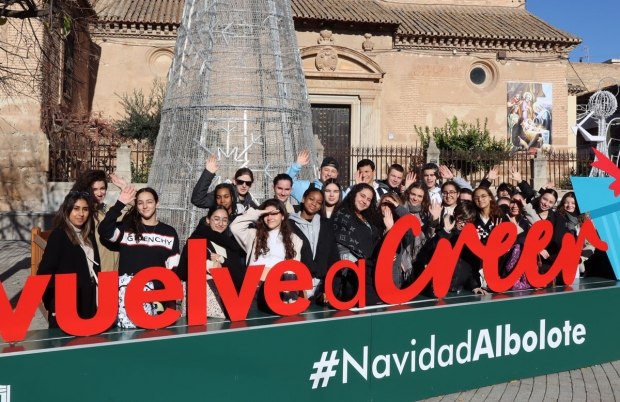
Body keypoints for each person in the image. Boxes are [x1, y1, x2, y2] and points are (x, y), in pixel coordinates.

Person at [98, 186, 181, 328]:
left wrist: (154, 289)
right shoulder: (126, 228)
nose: (145, 206)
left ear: (157, 203)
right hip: (127, 298)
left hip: (155, 299)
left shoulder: (169, 232)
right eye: (140, 203)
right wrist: (120, 203)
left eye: (149, 202)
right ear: (136, 206)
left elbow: (173, 269)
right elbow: (104, 230)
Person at [230, 199, 313, 309]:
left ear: (283, 216)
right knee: (251, 322)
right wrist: (258, 212)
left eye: (274, 213)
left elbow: (294, 268)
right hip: (253, 287)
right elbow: (235, 227)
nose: (270, 217)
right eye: (266, 214)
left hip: (279, 288)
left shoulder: (295, 240)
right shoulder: (254, 235)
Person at [38, 191, 100, 328]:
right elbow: (44, 274)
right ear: (67, 210)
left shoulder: (88, 235)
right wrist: (53, 304)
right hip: (66, 308)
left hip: (88, 303)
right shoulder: (59, 235)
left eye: (85, 209)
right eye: (76, 209)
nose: (81, 214)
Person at [177, 206, 246, 318]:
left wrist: (222, 260)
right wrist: (208, 265)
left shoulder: (231, 246)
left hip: (226, 303)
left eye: (224, 220)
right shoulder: (197, 238)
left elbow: (239, 277)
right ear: (208, 220)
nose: (221, 223)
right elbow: (182, 271)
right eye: (216, 219)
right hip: (199, 302)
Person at [416, 202, 488, 296]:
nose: (463, 225)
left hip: (458, 290)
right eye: (461, 220)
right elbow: (427, 252)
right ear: (454, 215)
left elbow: (472, 266)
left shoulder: (470, 240)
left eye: (467, 222)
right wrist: (445, 232)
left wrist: (474, 285)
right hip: (436, 289)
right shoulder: (443, 232)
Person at [332, 183, 384, 303]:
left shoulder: (370, 218)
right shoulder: (341, 215)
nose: (364, 201)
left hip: (370, 270)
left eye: (369, 199)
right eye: (362, 196)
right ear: (354, 195)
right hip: (351, 274)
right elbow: (341, 247)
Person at [288, 187, 340, 303]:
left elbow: (333, 258)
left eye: (319, 202)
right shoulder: (288, 224)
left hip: (321, 288)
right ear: (303, 199)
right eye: (311, 199)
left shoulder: (326, 224)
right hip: (297, 286)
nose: (314, 204)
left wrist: (328, 289)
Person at [72, 169, 128, 272]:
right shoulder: (84, 214)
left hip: (115, 272)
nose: (99, 193)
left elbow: (140, 209)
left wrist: (125, 188)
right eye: (94, 189)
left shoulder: (110, 210)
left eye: (102, 188)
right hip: (96, 274)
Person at [522, 188, 568, 276]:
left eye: (551, 202)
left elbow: (557, 241)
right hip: (527, 257)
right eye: (545, 199)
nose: (546, 204)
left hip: (547, 260)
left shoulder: (558, 220)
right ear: (540, 197)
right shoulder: (527, 212)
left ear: (554, 204)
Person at [401, 182, 442, 280]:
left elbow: (428, 237)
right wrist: (399, 261)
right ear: (408, 194)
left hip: (418, 258)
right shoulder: (399, 210)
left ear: (424, 198)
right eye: (413, 194)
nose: (415, 199)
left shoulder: (425, 213)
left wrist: (434, 219)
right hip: (401, 259)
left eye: (420, 196)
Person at [191, 155, 258, 211]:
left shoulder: (250, 205)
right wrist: (208, 173)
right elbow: (198, 200)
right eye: (240, 182)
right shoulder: (224, 194)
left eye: (248, 183)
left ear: (251, 184)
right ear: (234, 181)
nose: (244, 185)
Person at [378, 193, 414, 290]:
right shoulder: (374, 225)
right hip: (377, 278)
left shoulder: (401, 227)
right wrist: (388, 231)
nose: (387, 208)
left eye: (391, 205)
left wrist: (398, 207)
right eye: (384, 204)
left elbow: (411, 227)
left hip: (394, 280)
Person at [556, 191, 594, 275]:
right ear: (562, 203)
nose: (569, 205)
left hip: (578, 264)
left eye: (573, 203)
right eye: (566, 202)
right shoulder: (557, 218)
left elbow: (591, 244)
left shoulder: (585, 221)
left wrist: (580, 257)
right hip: (558, 261)